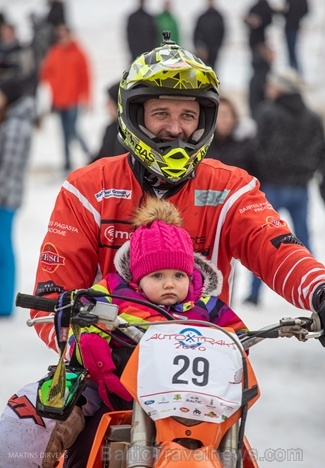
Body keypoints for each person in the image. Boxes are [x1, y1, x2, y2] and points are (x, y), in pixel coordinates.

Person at [1, 37, 325, 466]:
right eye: (161, 113)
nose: (175, 128)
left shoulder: (231, 188)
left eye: (188, 115)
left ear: (204, 122)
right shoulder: (87, 190)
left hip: (201, 383)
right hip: (101, 371)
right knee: (13, 438)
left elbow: (279, 250)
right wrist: (85, 337)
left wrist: (319, 291)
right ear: (135, 116)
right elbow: (50, 298)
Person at [244, 67, 325, 306]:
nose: (268, 88)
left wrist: (262, 173)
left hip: (274, 185)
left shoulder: (267, 112)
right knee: (304, 239)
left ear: (280, 87)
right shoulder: (311, 116)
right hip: (301, 186)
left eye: (271, 84)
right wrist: (310, 171)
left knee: (263, 238)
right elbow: (321, 149)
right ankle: (316, 291)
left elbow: (257, 147)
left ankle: (254, 293)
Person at [0, 78, 35, 317]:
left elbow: (8, 169)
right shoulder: (14, 121)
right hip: (8, 194)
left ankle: (4, 304)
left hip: (5, 196)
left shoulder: (15, 126)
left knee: (4, 248)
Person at [39, 22, 92, 172]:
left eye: (64, 34)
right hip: (59, 100)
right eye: (60, 35)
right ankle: (67, 161)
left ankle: (89, 153)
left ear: (69, 34)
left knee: (73, 130)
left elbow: (86, 77)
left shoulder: (79, 52)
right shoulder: (54, 52)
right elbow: (45, 73)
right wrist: (53, 85)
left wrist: (87, 97)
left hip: (74, 100)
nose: (62, 37)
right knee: (63, 133)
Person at [205, 96, 259, 177]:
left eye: (232, 115)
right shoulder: (203, 147)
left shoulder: (246, 144)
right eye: (223, 115)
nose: (228, 120)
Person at [243, 0, 275, 115]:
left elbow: (269, 20)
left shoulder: (265, 8)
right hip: (256, 45)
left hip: (262, 44)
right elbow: (245, 19)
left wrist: (259, 21)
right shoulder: (255, 7)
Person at [92, 81, 126, 162]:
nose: (106, 105)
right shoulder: (110, 128)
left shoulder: (131, 133)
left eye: (110, 102)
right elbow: (101, 156)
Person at [193, 0, 225, 71]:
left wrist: (218, 46)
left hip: (214, 50)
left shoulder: (219, 17)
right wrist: (199, 47)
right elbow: (196, 34)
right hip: (203, 51)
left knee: (213, 70)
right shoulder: (202, 17)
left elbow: (222, 32)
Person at [277, 0, 309, 73]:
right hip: (290, 26)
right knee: (290, 50)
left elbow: (305, 11)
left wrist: (294, 15)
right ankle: (292, 70)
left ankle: (295, 70)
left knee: (292, 50)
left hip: (293, 26)